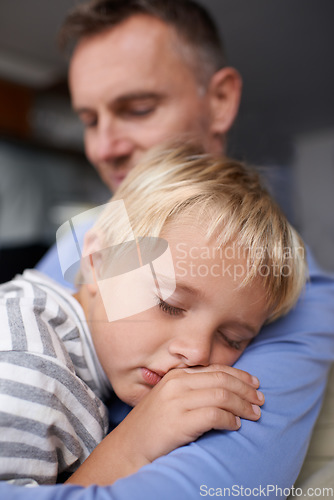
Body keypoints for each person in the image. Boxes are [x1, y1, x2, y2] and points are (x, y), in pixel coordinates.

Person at [4, 0, 333, 498]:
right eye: (90, 120)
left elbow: (221, 489)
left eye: (137, 108)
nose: (104, 146)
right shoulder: (81, 240)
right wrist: (131, 443)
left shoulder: (294, 289)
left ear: (220, 100)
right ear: (96, 258)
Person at [0, 144, 307, 487]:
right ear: (97, 261)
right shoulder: (28, 373)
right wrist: (131, 448)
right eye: (169, 304)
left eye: (232, 338)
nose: (197, 353)